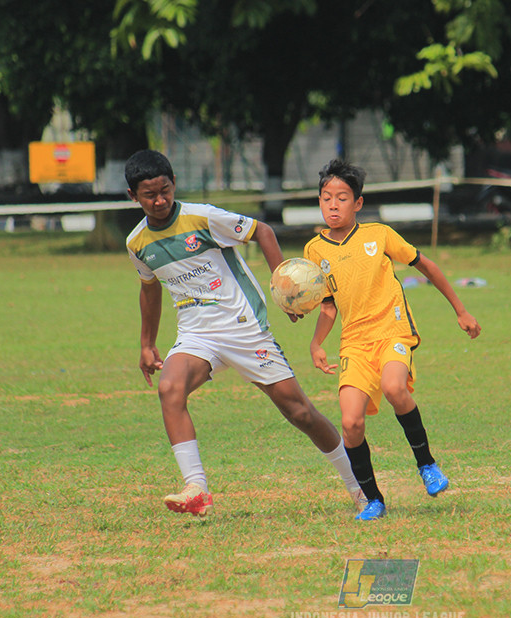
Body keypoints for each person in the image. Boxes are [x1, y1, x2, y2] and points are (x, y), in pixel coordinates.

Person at [123, 149, 363, 517]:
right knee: (169, 388)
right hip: (196, 336)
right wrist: (146, 343)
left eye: (165, 190)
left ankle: (360, 487)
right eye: (149, 194)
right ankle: (196, 488)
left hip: (244, 329)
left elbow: (262, 231)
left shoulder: (202, 218)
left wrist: (284, 285)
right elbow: (149, 288)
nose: (159, 200)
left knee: (300, 413)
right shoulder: (137, 243)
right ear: (132, 196)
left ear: (174, 184)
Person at [304, 159, 482, 521]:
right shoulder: (314, 251)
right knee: (351, 423)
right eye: (326, 198)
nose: (333, 205)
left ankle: (427, 465)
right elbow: (327, 305)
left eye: (342, 198)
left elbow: (426, 265)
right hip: (354, 342)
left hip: (392, 330)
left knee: (394, 388)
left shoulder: (379, 235)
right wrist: (317, 343)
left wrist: (460, 310)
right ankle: (373, 499)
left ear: (358, 204)